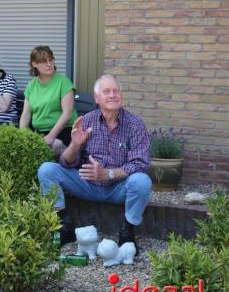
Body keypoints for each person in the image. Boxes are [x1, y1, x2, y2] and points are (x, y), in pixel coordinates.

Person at [37, 75, 151, 253]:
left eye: (116, 91)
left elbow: (140, 163)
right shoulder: (87, 121)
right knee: (47, 170)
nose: (113, 95)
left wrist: (107, 173)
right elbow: (66, 162)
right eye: (106, 91)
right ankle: (63, 226)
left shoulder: (135, 125)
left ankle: (127, 232)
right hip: (86, 184)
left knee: (142, 181)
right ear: (96, 98)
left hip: (118, 188)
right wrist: (74, 145)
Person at [19, 45, 78, 155]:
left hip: (63, 132)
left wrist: (51, 136)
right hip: (39, 133)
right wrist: (23, 135)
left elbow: (67, 114)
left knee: (53, 146)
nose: (49, 64)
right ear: (34, 64)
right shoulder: (31, 86)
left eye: (51, 60)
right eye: (44, 61)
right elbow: (25, 115)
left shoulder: (63, 82)